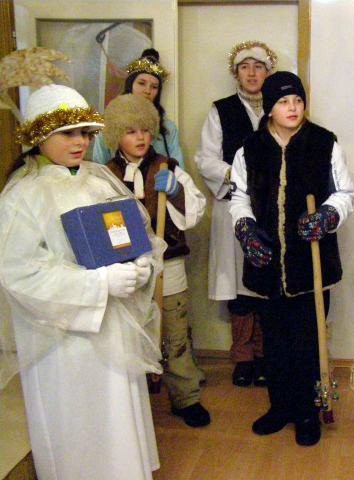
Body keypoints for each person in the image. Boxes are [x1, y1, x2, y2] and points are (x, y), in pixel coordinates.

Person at [0, 84, 165, 479]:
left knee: (118, 414)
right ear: (40, 135)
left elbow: (131, 234)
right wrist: (99, 284)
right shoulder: (23, 195)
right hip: (63, 339)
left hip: (113, 325)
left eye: (86, 133)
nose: (81, 143)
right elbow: (19, 272)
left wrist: (141, 264)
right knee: (80, 426)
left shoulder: (97, 179)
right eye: (68, 133)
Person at [228, 71, 354, 446]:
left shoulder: (324, 143)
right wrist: (246, 229)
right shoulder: (250, 149)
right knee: (275, 342)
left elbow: (345, 192)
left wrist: (328, 215)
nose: (293, 107)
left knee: (307, 342)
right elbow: (239, 198)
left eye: (298, 100)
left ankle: (307, 412)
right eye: (284, 101)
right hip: (267, 265)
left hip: (310, 267)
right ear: (270, 107)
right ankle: (280, 406)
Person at [102, 94, 210, 427]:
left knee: (175, 334)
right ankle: (131, 402)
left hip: (169, 264)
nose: (140, 138)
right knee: (131, 332)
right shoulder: (105, 175)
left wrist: (176, 191)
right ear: (116, 135)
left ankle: (186, 396)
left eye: (145, 130)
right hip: (127, 268)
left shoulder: (168, 167)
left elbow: (195, 211)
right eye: (131, 131)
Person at [195, 40, 277, 387]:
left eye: (258, 67)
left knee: (266, 282)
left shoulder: (281, 107)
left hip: (270, 209)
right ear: (236, 73)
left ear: (268, 72)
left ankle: (265, 355)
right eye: (245, 67)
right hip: (232, 207)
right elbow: (205, 159)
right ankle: (243, 357)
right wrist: (237, 173)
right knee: (239, 286)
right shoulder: (221, 110)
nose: (252, 73)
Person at [93, 48, 185, 168]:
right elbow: (98, 170)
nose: (147, 91)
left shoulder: (168, 128)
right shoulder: (109, 124)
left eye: (154, 87)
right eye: (141, 83)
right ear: (130, 85)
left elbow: (179, 171)